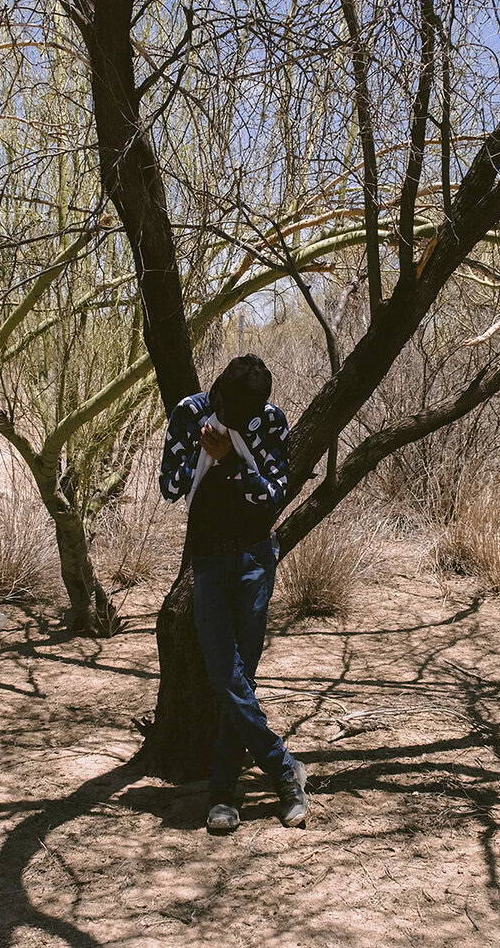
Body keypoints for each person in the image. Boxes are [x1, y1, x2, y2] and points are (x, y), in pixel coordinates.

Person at [158, 354, 309, 832]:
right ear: (216, 388)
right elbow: (170, 486)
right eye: (224, 407)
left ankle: (223, 793)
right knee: (225, 675)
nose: (230, 418)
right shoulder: (189, 411)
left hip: (254, 558)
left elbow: (274, 494)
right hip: (207, 559)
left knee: (242, 678)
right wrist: (199, 455)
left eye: (240, 415)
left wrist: (232, 461)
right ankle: (284, 771)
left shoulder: (271, 423)